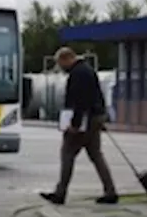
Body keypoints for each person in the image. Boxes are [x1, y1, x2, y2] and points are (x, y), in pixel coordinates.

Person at [41, 47, 118, 205]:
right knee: (96, 154)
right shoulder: (87, 70)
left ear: (66, 59)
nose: (60, 67)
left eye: (60, 63)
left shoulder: (78, 74)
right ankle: (110, 191)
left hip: (85, 119)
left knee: (67, 153)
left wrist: (75, 125)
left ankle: (60, 193)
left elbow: (80, 101)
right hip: (95, 116)